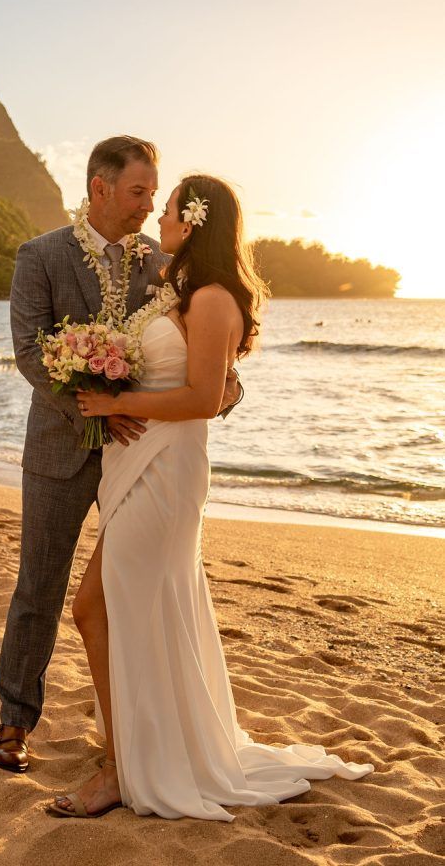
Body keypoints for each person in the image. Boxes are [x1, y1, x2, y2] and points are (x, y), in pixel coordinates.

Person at [51, 174, 374, 819]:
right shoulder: (177, 292)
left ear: (193, 223)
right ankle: (130, 750)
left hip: (165, 472)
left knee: (100, 608)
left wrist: (118, 401)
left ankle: (121, 767)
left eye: (167, 209)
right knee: (108, 609)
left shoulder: (215, 299)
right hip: (135, 464)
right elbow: (221, 387)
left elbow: (204, 399)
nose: (158, 219)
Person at [0, 139, 242, 773]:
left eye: (155, 196)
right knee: (40, 589)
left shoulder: (165, 261)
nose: (148, 206)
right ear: (100, 188)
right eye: (138, 193)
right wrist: (94, 407)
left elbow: (202, 348)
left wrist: (225, 391)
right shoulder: (40, 256)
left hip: (145, 460)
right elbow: (29, 354)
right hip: (60, 450)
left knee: (138, 593)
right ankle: (15, 722)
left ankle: (132, 729)